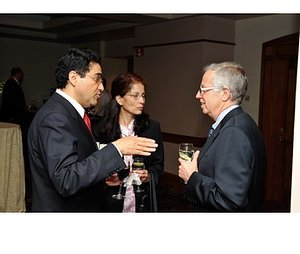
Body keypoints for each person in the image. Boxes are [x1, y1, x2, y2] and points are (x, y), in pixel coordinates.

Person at [27, 48, 158, 212]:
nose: (102, 87)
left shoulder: (69, 113)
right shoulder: (56, 117)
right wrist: (117, 148)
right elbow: (66, 180)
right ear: (73, 78)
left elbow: (80, 164)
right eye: (97, 79)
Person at [178, 62, 267, 212]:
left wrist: (192, 177)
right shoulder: (243, 122)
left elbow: (229, 200)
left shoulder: (233, 131)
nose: (197, 95)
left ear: (225, 94)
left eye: (203, 90)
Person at [93, 72, 164, 212]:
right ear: (119, 99)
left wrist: (148, 176)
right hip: (109, 202)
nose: (142, 100)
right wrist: (105, 178)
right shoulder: (100, 130)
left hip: (141, 201)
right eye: (135, 96)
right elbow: (91, 167)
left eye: (143, 95)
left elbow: (158, 166)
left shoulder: (151, 128)